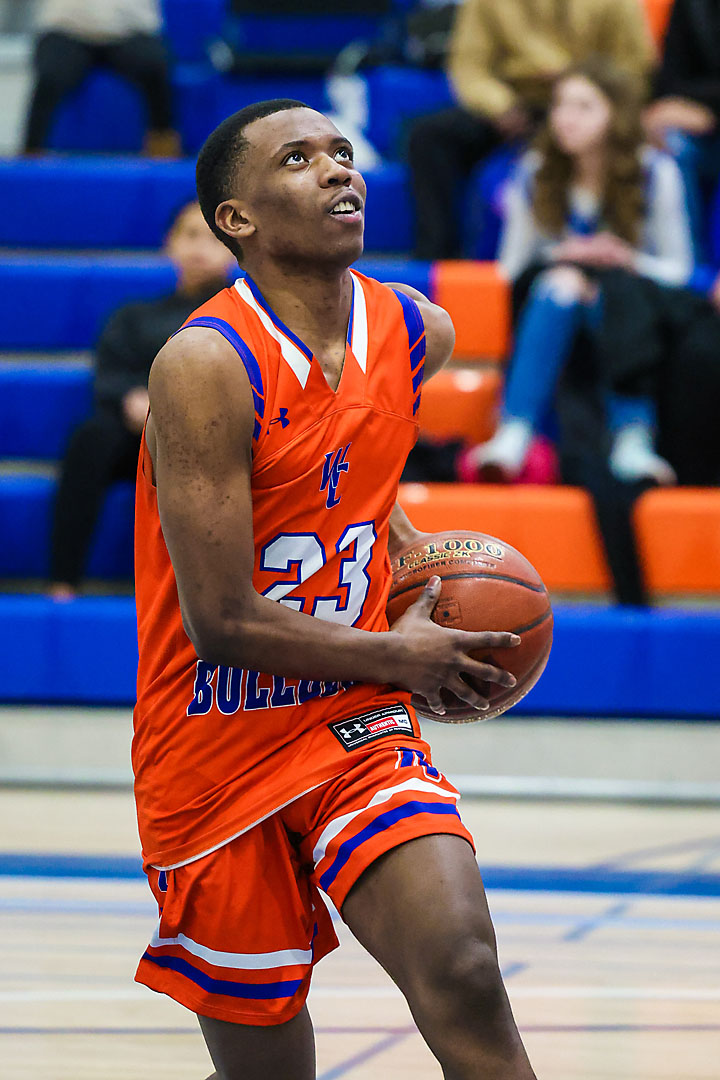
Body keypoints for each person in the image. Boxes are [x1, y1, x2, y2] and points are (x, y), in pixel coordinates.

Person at [132, 98, 538, 1079]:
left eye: (344, 154)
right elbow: (221, 621)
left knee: (468, 972)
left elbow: (357, 473)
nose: (338, 171)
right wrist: (407, 653)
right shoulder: (204, 365)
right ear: (236, 218)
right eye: (300, 158)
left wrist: (413, 564)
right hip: (212, 741)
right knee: (269, 1066)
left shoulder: (415, 330)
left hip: (353, 725)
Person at [465, 59, 695, 605]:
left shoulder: (654, 172)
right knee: (566, 282)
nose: (565, 119)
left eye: (583, 106)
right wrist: (562, 255)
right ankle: (516, 432)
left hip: (635, 304)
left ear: (615, 115)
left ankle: (632, 437)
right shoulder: (536, 170)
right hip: (550, 298)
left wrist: (622, 258)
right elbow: (509, 269)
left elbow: (681, 270)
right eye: (562, 105)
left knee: (607, 290)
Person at [49, 201, 235, 598]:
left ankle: (214, 591)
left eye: (214, 238)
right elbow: (109, 379)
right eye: (190, 235)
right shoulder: (133, 317)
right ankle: (63, 582)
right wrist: (135, 401)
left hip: (214, 434)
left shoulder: (244, 316)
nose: (202, 247)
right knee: (90, 437)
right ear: (169, 244)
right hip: (140, 431)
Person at [408, 0, 655, 259]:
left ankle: (613, 245)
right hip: (515, 104)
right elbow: (468, 67)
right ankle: (436, 259)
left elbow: (635, 66)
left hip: (592, 99)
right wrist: (501, 105)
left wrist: (584, 87)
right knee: (429, 136)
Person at [24, 0, 180, 156]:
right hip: (66, 29)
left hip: (130, 30)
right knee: (50, 76)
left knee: (155, 68)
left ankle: (163, 152)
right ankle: (31, 155)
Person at [644, 0, 720, 256]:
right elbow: (669, 77)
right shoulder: (691, 4)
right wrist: (671, 109)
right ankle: (690, 268)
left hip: (706, 114)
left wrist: (711, 112)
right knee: (670, 143)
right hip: (696, 125)